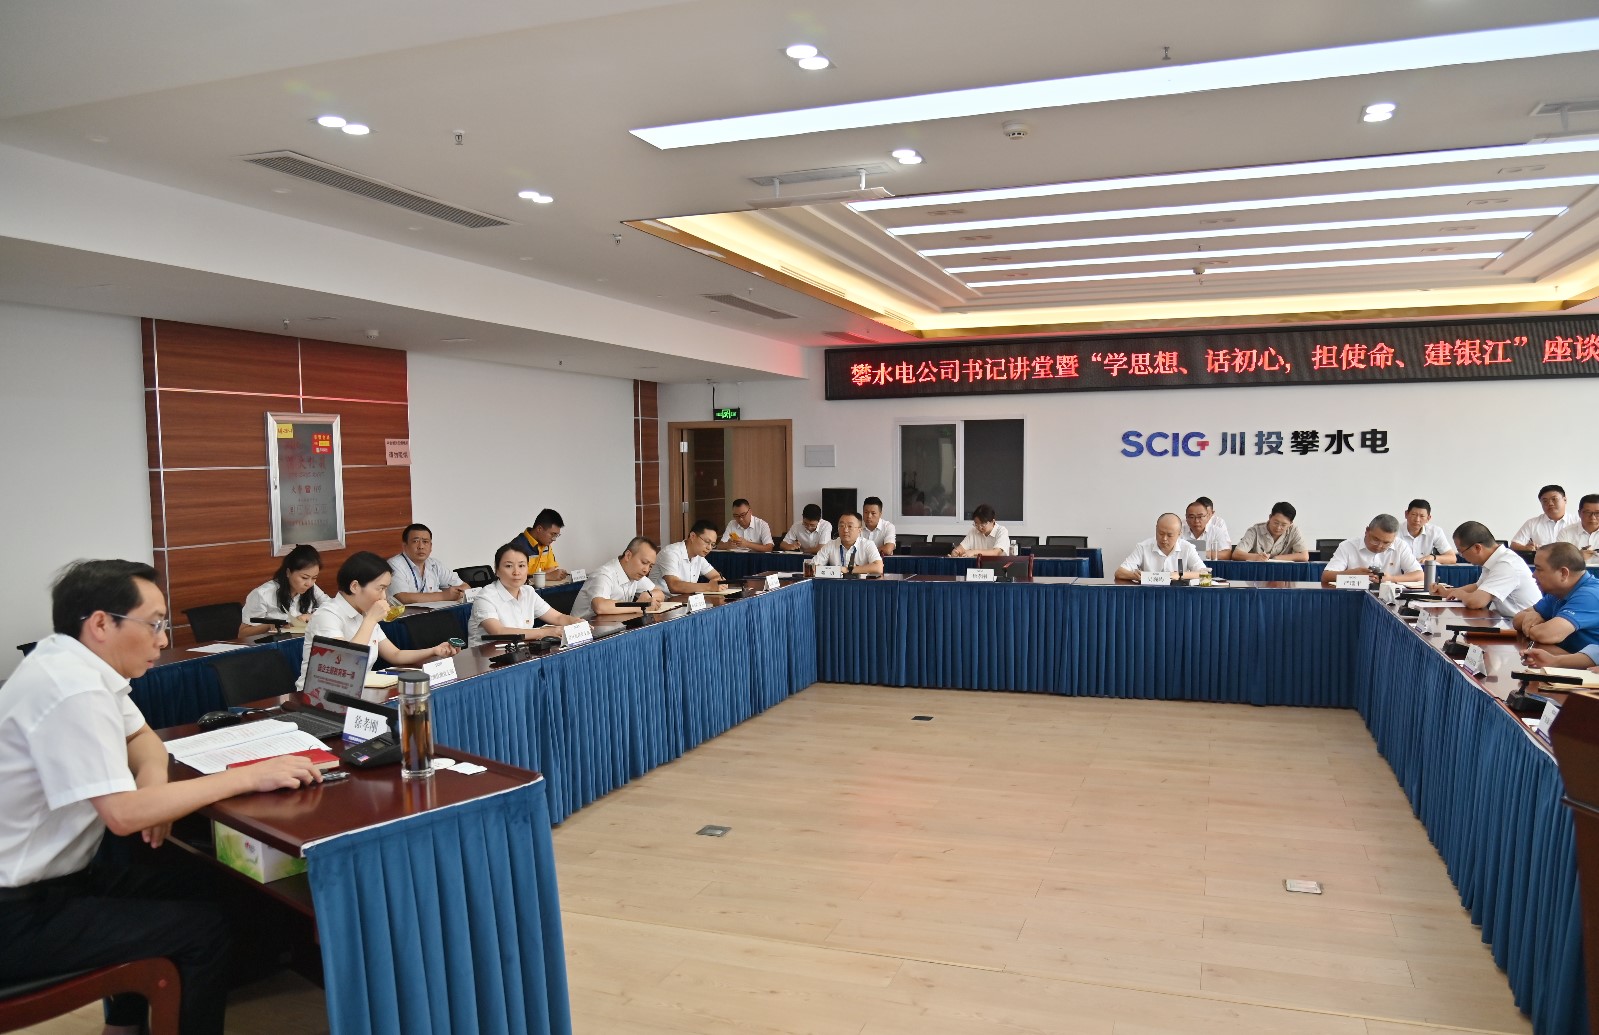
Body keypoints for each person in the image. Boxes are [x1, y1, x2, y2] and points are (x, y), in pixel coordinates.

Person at [0, 560, 324, 1035]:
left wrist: (155, 790)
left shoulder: (71, 661)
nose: (163, 639)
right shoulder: (73, 689)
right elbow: (123, 815)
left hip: (60, 880)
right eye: (153, 624)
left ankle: (124, 1026)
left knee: (206, 883)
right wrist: (250, 776)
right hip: (17, 915)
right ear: (101, 624)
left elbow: (143, 740)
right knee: (202, 931)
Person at [297, 552, 461, 690]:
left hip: (355, 693)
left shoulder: (365, 612)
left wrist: (434, 651)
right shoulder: (327, 615)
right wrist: (370, 620)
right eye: (380, 588)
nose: (384, 596)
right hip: (318, 698)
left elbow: (395, 655)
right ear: (355, 587)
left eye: (386, 589)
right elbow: (344, 664)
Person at [467, 542, 582, 644]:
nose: (516, 572)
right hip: (488, 657)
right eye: (508, 566)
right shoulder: (485, 597)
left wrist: (576, 622)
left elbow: (557, 617)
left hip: (520, 652)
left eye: (521, 566)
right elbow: (498, 631)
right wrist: (545, 632)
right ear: (497, 570)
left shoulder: (528, 591)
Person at [1430, 521, 1540, 618]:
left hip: (1524, 627)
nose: (1462, 557)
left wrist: (1460, 594)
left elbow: (1476, 601)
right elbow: (1478, 587)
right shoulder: (1494, 559)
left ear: (1477, 548)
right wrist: (1447, 592)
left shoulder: (1506, 564)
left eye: (1462, 552)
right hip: (1508, 621)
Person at [1512, 542, 1599, 652]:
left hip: (1580, 663)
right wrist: (1536, 615)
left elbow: (1546, 635)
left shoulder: (1590, 595)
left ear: (1563, 573)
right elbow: (1517, 620)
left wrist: (1540, 623)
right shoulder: (1559, 591)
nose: (1533, 575)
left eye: (1539, 569)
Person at [239, 544, 330, 637]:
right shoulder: (262, 594)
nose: (309, 583)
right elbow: (243, 634)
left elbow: (333, 608)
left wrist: (311, 616)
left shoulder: (311, 587)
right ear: (288, 572)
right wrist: (269, 625)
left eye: (314, 578)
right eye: (304, 577)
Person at [572, 537, 665, 618]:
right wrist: (640, 606)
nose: (646, 570)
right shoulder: (604, 574)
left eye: (650, 566)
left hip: (613, 626)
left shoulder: (635, 573)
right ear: (628, 556)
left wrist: (648, 595)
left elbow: (660, 594)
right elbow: (600, 606)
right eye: (644, 562)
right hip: (585, 629)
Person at [1321, 514, 1423, 587]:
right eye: (1375, 539)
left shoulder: (1400, 545)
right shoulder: (1347, 546)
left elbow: (1419, 575)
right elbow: (1326, 576)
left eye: (1386, 543)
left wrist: (1391, 579)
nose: (1380, 546)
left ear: (1394, 538)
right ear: (1367, 531)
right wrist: (1352, 574)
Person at [387, 523, 467, 604]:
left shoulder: (434, 564)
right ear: (405, 546)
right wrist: (444, 596)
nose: (421, 546)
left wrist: (458, 593)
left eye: (425, 542)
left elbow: (465, 587)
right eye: (415, 541)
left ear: (430, 546)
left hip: (436, 611)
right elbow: (402, 598)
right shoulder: (394, 565)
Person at [1115, 513, 1209, 581]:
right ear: (1156, 529)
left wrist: (1179, 575)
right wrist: (1134, 576)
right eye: (1160, 533)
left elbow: (1204, 573)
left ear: (1179, 534)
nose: (1164, 538)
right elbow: (1119, 572)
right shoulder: (1143, 547)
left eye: (1170, 535)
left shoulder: (1187, 548)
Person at [651, 521, 726, 595]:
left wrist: (720, 582)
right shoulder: (671, 553)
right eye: (707, 542)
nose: (709, 548)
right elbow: (674, 586)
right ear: (693, 536)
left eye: (712, 544)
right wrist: (709, 586)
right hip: (662, 600)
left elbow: (716, 576)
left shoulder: (698, 556)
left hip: (684, 600)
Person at [1230, 502, 1310, 561]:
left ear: (1290, 524)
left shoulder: (1294, 531)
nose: (1278, 528)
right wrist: (1257, 557)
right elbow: (1236, 554)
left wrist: (1275, 558)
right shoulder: (1255, 531)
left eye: (1283, 525)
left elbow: (1304, 556)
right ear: (1270, 517)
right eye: (1276, 523)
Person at [812, 512, 884, 574]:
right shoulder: (831, 544)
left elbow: (878, 568)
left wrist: (848, 570)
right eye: (841, 526)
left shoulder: (868, 544)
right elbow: (813, 566)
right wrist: (831, 570)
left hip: (861, 584)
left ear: (859, 530)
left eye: (850, 526)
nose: (845, 530)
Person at [1511, 485, 1577, 552]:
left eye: (1554, 499)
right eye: (1545, 501)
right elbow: (1514, 545)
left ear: (1565, 500)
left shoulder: (1577, 521)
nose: (1550, 503)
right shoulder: (1532, 523)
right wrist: (1527, 548)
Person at [509, 508, 569, 582]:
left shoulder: (546, 545)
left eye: (556, 535)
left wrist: (541, 576)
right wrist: (546, 576)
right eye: (552, 534)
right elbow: (515, 578)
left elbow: (551, 569)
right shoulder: (516, 547)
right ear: (539, 529)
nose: (554, 539)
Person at [1398, 499, 1457, 564]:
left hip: (1425, 569)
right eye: (1414, 514)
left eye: (1422, 516)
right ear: (1406, 514)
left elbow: (1452, 558)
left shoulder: (1434, 531)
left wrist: (1432, 558)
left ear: (1428, 518)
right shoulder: (1395, 531)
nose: (1417, 520)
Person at [1558, 493, 1599, 562]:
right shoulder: (1566, 533)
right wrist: (1577, 557)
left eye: (1597, 513)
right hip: (1575, 569)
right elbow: (1558, 560)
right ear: (1579, 513)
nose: (1593, 517)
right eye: (1588, 512)